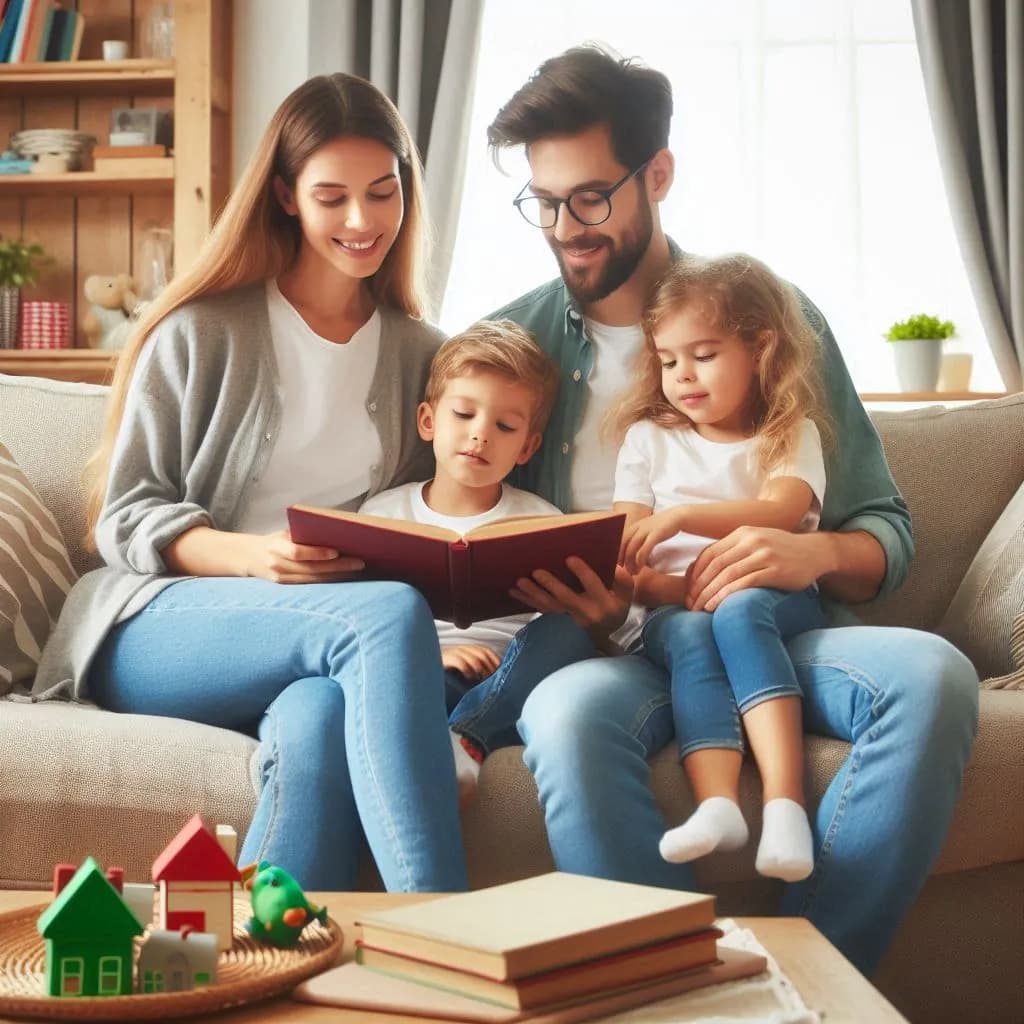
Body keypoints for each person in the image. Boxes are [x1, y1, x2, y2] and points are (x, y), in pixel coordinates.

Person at [484, 44, 978, 974]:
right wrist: (580, 603)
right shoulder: (515, 343)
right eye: (544, 203)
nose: (565, 228)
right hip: (625, 647)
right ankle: (676, 994)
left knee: (934, 679)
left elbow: (885, 530)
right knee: (561, 718)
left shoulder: (768, 317)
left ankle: (810, 985)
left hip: (775, 631)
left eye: (590, 197)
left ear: (657, 174)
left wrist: (812, 555)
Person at [31, 73, 468, 894]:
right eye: (332, 196)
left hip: (322, 643)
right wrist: (251, 556)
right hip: (159, 620)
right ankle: (447, 930)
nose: (362, 220)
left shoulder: (422, 354)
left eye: (383, 192)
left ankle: (269, 974)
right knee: (383, 620)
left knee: (319, 718)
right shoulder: (201, 331)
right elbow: (123, 516)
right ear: (285, 197)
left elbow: (422, 513)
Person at [612, 253, 831, 881]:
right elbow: (628, 557)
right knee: (687, 632)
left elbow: (783, 509)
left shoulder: (790, 431)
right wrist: (679, 588)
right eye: (668, 360)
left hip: (772, 598)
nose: (683, 375)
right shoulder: (648, 440)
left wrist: (682, 519)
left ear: (760, 349)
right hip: (676, 605)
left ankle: (787, 807)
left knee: (738, 610)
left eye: (703, 355)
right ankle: (718, 806)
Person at [360, 320, 598, 803]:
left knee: (568, 632)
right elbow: (361, 620)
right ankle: (454, 735)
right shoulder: (383, 512)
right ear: (428, 421)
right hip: (425, 670)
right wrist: (434, 654)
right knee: (404, 675)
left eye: (505, 427)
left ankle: (466, 736)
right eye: (464, 414)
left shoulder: (541, 518)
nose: (480, 435)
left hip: (516, 677)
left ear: (528, 446)